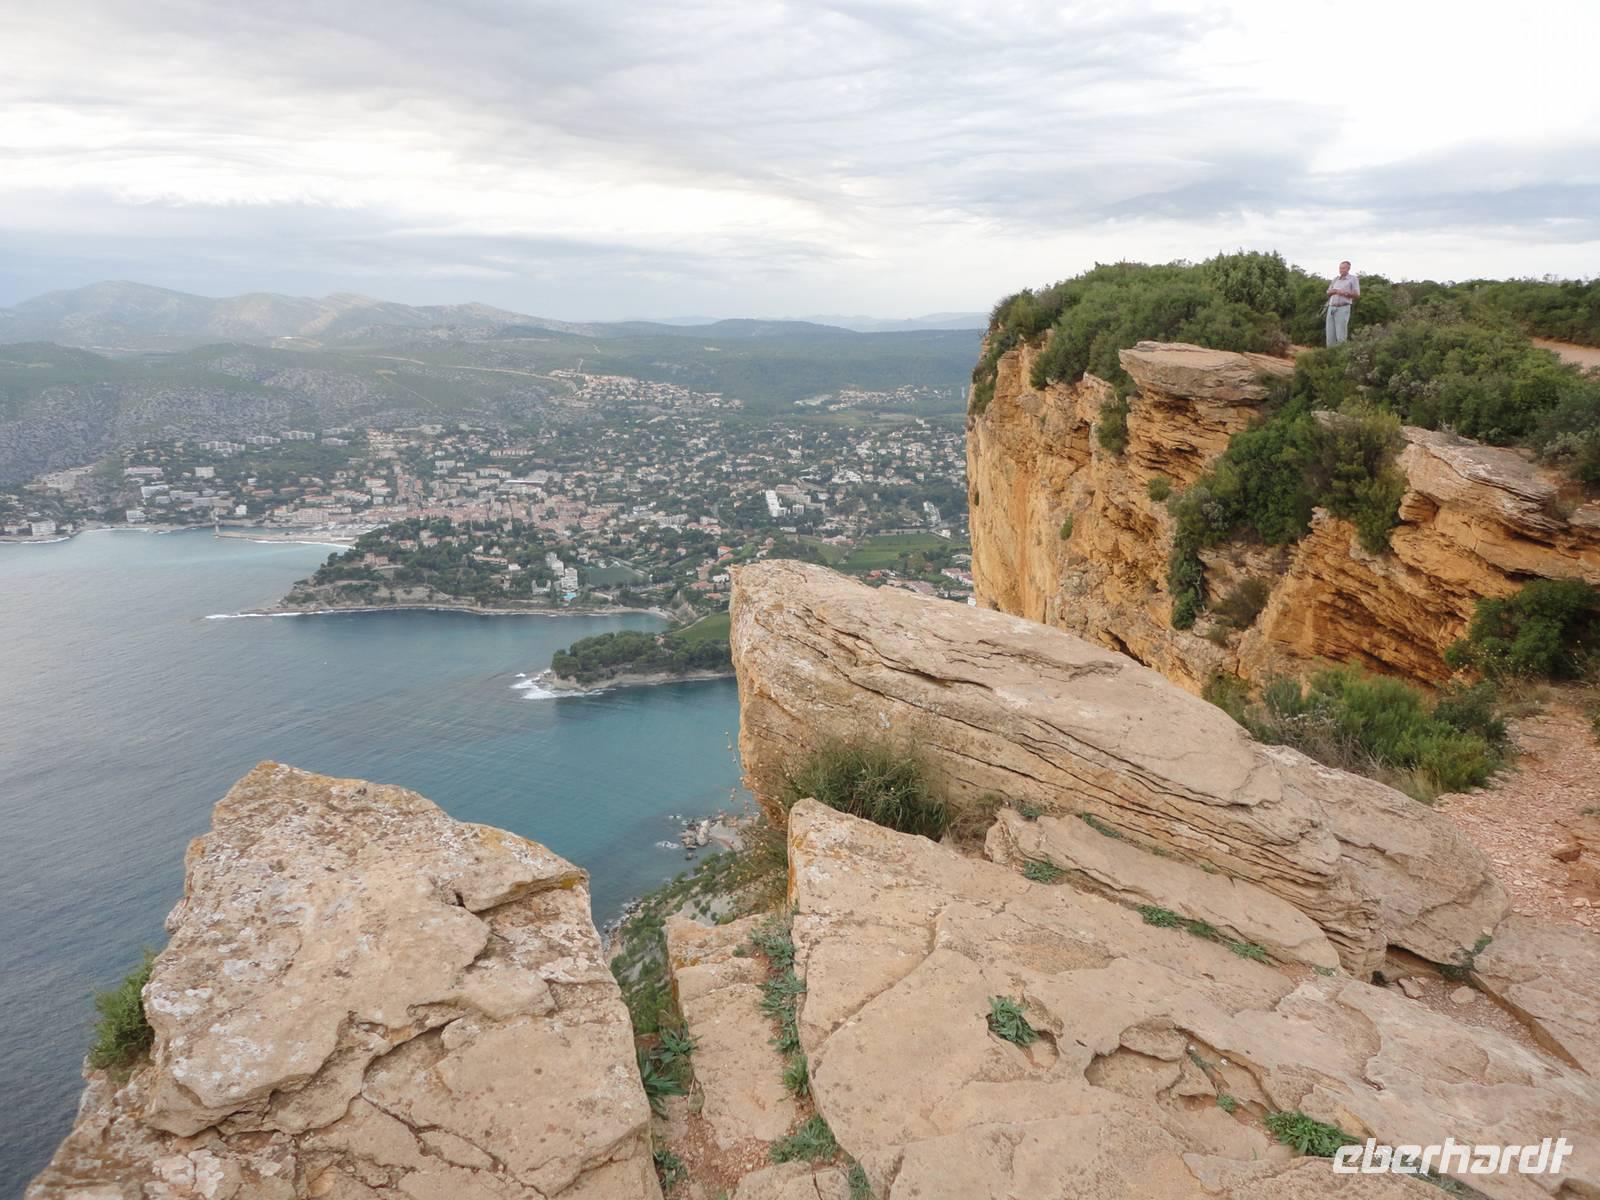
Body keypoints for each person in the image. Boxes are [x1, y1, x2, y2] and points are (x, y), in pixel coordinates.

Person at [1325, 261, 1359, 346]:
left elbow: (1357, 295)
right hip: (1331, 307)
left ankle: (1341, 356)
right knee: (1330, 336)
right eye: (1340, 268)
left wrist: (1344, 293)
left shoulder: (1353, 279)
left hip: (1343, 308)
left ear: (1348, 269)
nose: (1341, 270)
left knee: (1341, 335)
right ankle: (1330, 356)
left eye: (1343, 268)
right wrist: (1332, 291)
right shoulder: (1335, 279)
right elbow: (1328, 292)